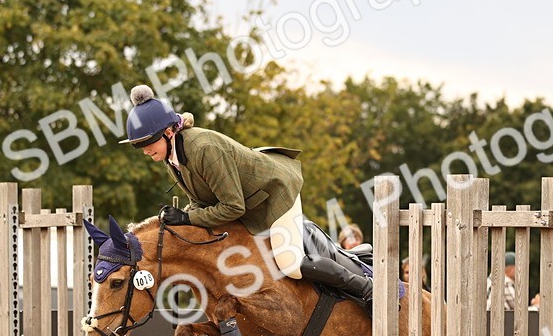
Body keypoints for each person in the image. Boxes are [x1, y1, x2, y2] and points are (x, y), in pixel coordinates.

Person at [123, 85, 373, 307]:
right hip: (249, 202)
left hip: (274, 192)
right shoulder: (171, 157)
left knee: (290, 264)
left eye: (148, 142)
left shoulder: (204, 148)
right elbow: (203, 201)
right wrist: (184, 216)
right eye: (139, 146)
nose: (145, 151)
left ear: (168, 133)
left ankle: (366, 287)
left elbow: (233, 207)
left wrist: (187, 219)